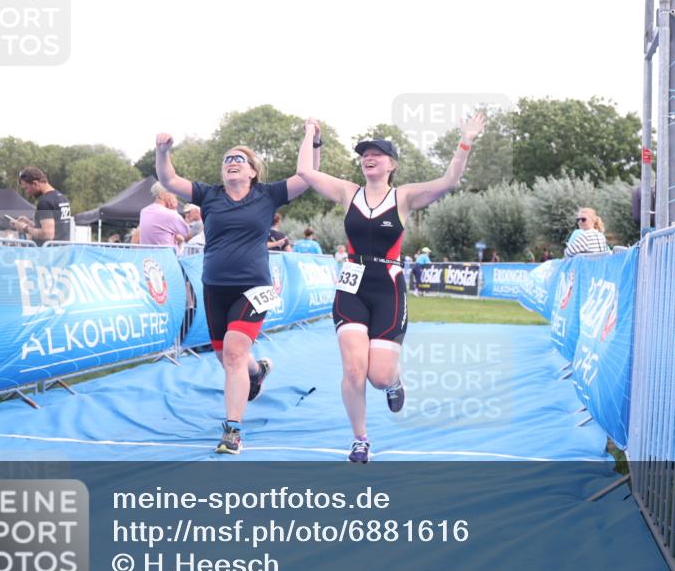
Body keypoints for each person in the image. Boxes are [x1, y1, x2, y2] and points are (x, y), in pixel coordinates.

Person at [296, 113, 486, 462]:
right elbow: (305, 172)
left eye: (377, 154)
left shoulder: (404, 196)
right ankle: (360, 439)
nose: (369, 158)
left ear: (392, 164)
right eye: (364, 154)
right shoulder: (348, 192)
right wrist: (311, 134)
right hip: (352, 286)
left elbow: (450, 180)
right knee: (354, 370)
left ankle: (395, 382)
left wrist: (466, 140)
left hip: (388, 288)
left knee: (379, 377)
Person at [154, 130, 321, 454]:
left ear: (252, 171)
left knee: (233, 353)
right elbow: (169, 179)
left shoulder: (267, 195)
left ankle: (233, 431)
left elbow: (307, 175)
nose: (231, 162)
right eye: (227, 159)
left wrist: (312, 140)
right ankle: (257, 372)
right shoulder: (209, 195)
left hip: (254, 287)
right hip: (215, 287)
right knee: (227, 357)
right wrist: (162, 151)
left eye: (238, 159)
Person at [10, 166, 72, 245]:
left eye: (26, 188)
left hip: (48, 251)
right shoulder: (62, 198)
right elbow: (56, 228)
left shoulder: (45, 202)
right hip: (63, 249)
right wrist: (29, 223)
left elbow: (48, 234)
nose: (27, 192)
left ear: (35, 183)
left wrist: (24, 227)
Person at [139, 183, 191, 254]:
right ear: (161, 195)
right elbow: (188, 234)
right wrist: (173, 209)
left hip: (147, 257)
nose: (175, 195)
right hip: (166, 257)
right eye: (172, 192)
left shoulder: (144, 211)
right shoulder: (170, 214)